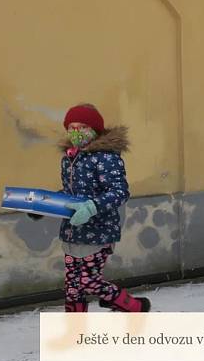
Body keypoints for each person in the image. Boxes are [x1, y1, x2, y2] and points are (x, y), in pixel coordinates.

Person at [29, 103, 150, 312]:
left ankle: (133, 306)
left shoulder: (107, 157)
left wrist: (92, 207)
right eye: (71, 127)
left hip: (99, 231)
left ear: (94, 129)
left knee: (88, 281)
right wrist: (44, 204)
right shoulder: (69, 158)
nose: (76, 132)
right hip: (72, 231)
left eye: (82, 126)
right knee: (72, 286)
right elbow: (69, 193)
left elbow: (120, 192)